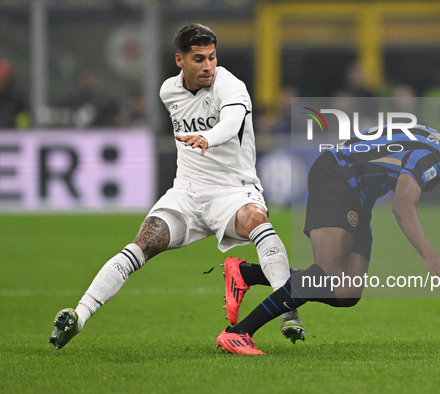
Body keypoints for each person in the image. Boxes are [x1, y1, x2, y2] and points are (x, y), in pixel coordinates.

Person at [48, 23, 304, 350]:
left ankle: (288, 312)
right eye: (198, 59)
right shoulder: (168, 91)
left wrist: (207, 138)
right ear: (179, 60)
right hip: (187, 194)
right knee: (144, 242)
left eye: (212, 57)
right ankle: (78, 315)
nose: (208, 66)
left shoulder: (232, 87)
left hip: (233, 191)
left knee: (257, 220)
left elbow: (230, 124)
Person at [216, 126, 440, 354]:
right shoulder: (433, 157)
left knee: (346, 292)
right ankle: (238, 333)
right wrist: (429, 256)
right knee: (327, 273)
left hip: (359, 194)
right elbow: (403, 205)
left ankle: (245, 273)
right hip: (338, 176)